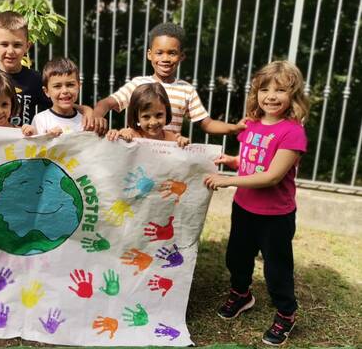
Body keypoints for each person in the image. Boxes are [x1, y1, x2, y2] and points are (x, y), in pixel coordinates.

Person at [203, 61, 310, 346]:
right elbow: (254, 161)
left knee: (276, 269)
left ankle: (286, 313)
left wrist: (228, 180)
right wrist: (233, 161)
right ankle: (241, 295)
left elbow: (272, 176)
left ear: (293, 95)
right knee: (236, 257)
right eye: (265, 89)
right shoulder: (251, 125)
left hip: (275, 215)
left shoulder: (292, 132)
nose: (271, 96)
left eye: (281, 90)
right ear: (256, 92)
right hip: (244, 207)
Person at [0, 11, 104, 132]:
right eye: (4, 44)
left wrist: (86, 110)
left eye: (17, 45)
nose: (10, 51)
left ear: (27, 46)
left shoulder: (34, 79)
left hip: (23, 150)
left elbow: (59, 102)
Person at [94, 22, 245, 136]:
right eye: (159, 53)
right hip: (135, 156)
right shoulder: (137, 84)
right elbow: (106, 103)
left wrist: (234, 128)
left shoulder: (186, 90)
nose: (165, 59)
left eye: (172, 53)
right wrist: (96, 116)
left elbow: (207, 124)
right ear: (149, 55)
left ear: (181, 56)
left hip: (168, 160)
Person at [105, 82, 189, 147]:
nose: (153, 122)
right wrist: (115, 136)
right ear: (136, 117)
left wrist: (183, 144)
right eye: (146, 116)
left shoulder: (172, 139)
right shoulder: (128, 135)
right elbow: (115, 153)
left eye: (159, 115)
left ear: (166, 113)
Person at [22, 57, 83, 137]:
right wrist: (47, 137)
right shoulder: (41, 120)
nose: (64, 91)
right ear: (46, 91)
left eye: (70, 85)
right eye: (57, 86)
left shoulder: (85, 121)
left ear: (79, 86)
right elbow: (35, 147)